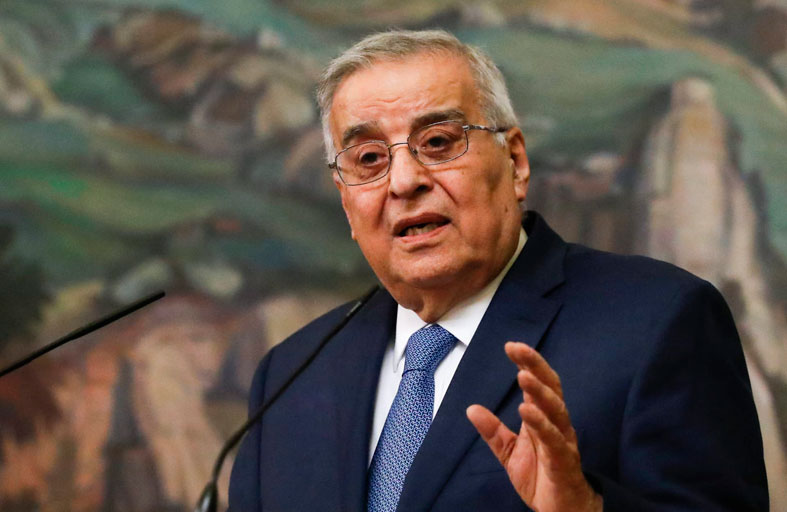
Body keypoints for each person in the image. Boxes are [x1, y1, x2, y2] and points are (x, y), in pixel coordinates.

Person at [228, 30, 768, 511]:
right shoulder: (290, 376)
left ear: (515, 162)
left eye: (438, 143)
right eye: (368, 159)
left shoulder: (657, 322)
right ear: (347, 203)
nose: (404, 181)